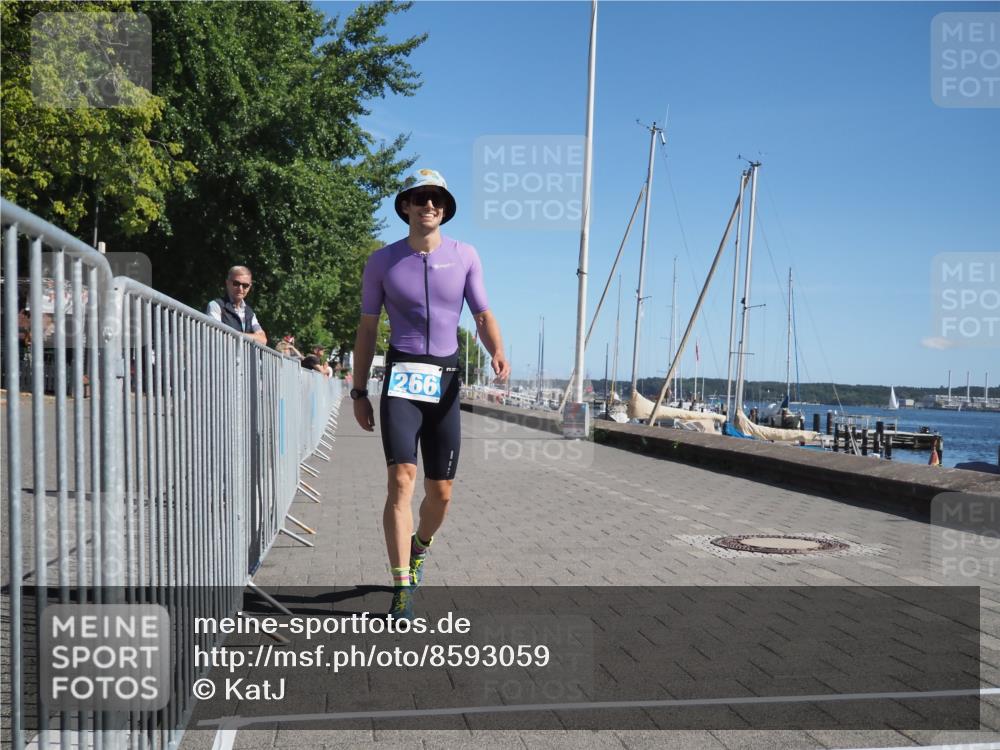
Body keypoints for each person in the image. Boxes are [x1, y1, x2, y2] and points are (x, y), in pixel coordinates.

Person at [351, 168, 509, 619]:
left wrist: (497, 349)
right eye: (420, 198)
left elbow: (481, 313)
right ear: (405, 205)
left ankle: (420, 546)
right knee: (401, 480)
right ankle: (402, 586)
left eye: (436, 198)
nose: (429, 205)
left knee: (440, 494)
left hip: (445, 380)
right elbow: (366, 329)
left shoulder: (465, 255)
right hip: (401, 377)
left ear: (445, 208)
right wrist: (359, 390)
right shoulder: (382, 261)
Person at [206, 266, 267, 345]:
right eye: (236, 283)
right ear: (227, 283)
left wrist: (238, 336)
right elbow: (216, 335)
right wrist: (251, 337)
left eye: (245, 285)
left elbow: (263, 340)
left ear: (249, 287)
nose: (240, 289)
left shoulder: (250, 313)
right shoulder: (216, 306)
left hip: (243, 357)